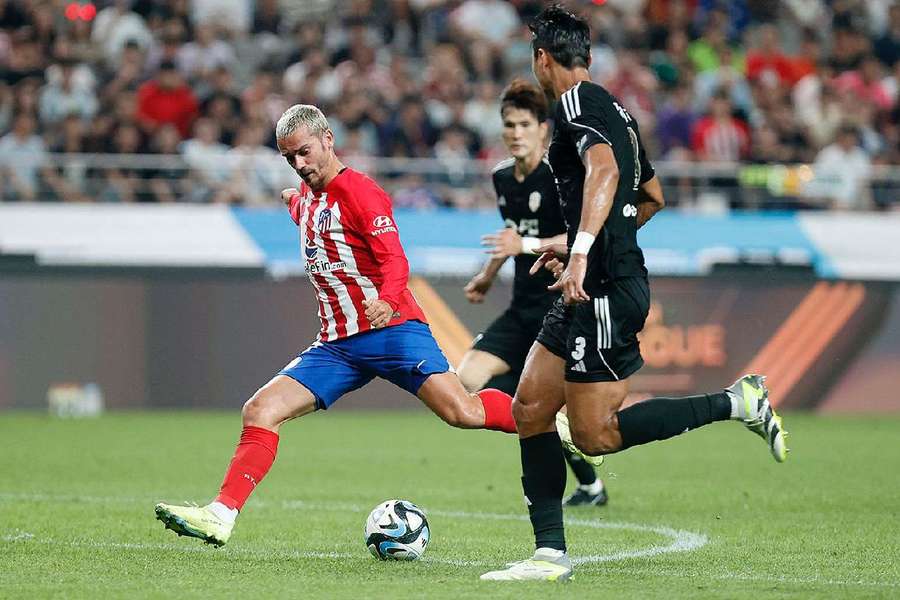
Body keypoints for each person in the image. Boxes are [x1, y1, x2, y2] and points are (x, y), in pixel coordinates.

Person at [479, 6, 789, 582]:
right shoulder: (616, 110)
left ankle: (735, 402)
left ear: (542, 58)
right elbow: (652, 196)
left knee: (596, 435)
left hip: (600, 291)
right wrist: (585, 243)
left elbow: (604, 175)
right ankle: (549, 555)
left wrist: (580, 253)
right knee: (530, 407)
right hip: (590, 281)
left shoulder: (575, 104)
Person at [154, 104, 517, 546]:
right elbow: (310, 216)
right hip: (337, 346)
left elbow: (395, 259)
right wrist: (291, 200)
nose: (300, 165)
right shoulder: (306, 198)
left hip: (393, 332)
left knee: (463, 412)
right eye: (290, 159)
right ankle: (221, 515)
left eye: (305, 152)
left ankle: (548, 420)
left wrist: (385, 300)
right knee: (260, 410)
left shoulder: (361, 192)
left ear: (328, 138)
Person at [458, 78, 606, 507]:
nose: (515, 133)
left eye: (524, 124)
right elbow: (512, 234)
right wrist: (488, 274)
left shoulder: (561, 177)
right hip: (521, 307)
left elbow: (580, 234)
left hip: (559, 307)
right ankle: (553, 436)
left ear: (544, 128)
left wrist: (522, 247)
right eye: (509, 125)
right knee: (466, 380)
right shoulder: (502, 177)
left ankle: (589, 485)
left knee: (538, 405)